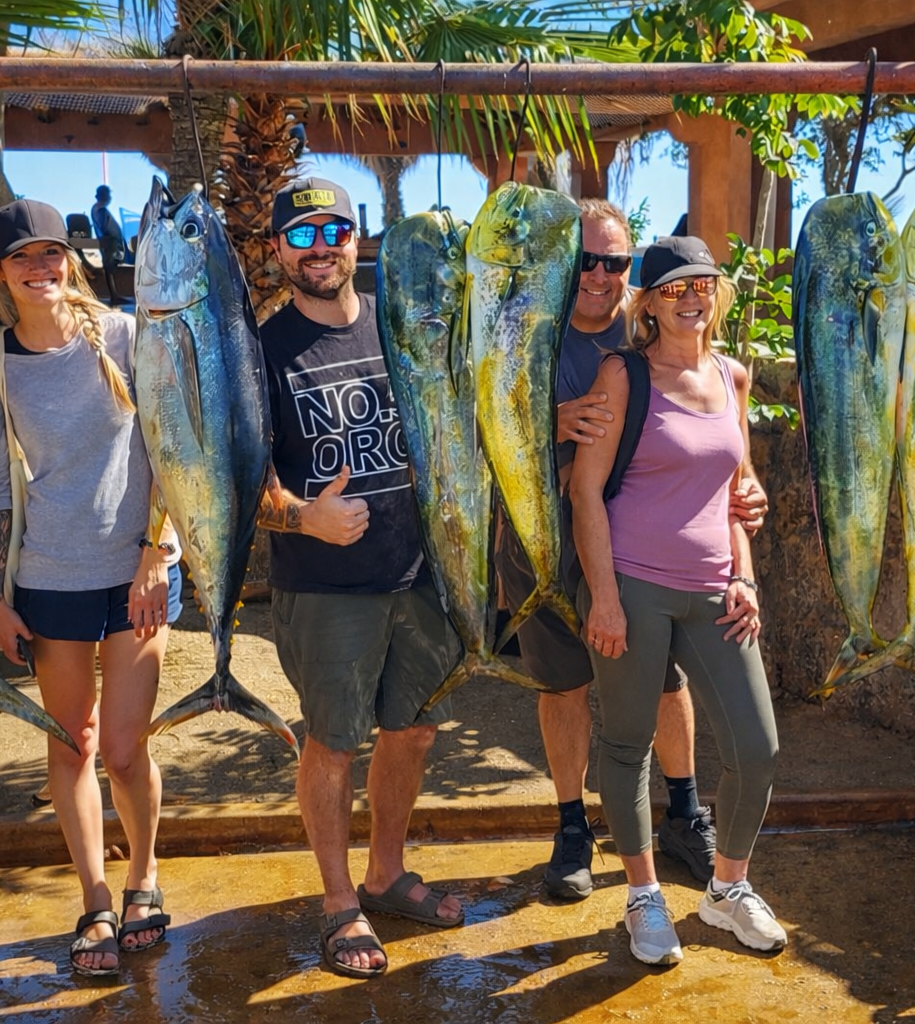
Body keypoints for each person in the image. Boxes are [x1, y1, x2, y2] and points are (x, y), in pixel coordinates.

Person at [495, 200, 767, 901]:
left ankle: (682, 811)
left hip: (643, 561)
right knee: (565, 689)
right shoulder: (524, 333)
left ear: (631, 273)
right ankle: (572, 829)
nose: (597, 274)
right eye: (583, 260)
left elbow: (717, 449)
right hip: (539, 548)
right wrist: (544, 419)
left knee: (669, 686)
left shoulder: (658, 334)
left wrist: (748, 488)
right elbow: (473, 429)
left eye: (613, 261)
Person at [255, 177, 464, 979]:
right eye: (302, 237)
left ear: (358, 238)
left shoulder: (402, 323)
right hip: (324, 587)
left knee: (412, 731)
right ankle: (340, 900)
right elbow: (244, 483)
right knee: (334, 743)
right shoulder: (264, 348)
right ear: (279, 250)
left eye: (334, 231)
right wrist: (302, 516)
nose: (321, 249)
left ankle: (385, 873)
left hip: (416, 573)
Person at [0, 198, 184, 977]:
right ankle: (95, 898)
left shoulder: (128, 335)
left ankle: (143, 879)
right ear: (0, 272)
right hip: (48, 580)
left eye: (51, 253)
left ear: (71, 260)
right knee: (74, 745)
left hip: (138, 573)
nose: (40, 268)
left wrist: (157, 551)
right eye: (22, 256)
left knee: (126, 749)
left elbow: (173, 445)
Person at [571, 236, 785, 965]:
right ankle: (643, 899)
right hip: (633, 583)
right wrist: (604, 596)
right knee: (628, 744)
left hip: (715, 589)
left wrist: (745, 575)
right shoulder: (623, 374)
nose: (692, 298)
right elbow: (585, 492)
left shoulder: (734, 376)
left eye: (703, 285)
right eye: (674, 289)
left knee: (757, 749)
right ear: (649, 305)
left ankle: (727, 889)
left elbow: (737, 489)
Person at [91, 184, 130, 303]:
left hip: (110, 242)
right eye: (108, 194)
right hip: (109, 243)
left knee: (111, 268)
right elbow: (106, 227)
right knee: (110, 268)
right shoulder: (100, 210)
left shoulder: (97, 209)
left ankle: (115, 294)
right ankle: (114, 295)